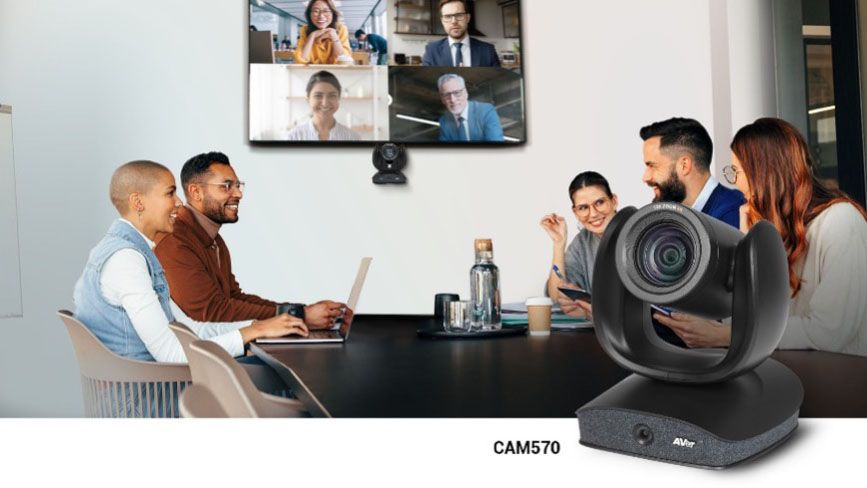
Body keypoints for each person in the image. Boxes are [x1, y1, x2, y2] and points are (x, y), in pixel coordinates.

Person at [654, 118, 867, 356]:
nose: (735, 183)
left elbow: (828, 331)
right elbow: (752, 313)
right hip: (790, 373)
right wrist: (748, 241)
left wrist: (724, 335)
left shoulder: (841, 222)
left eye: (737, 172)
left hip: (843, 379)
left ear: (767, 174)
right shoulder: (775, 231)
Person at [73, 160, 310, 363]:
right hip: (150, 397)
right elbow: (170, 352)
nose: (178, 202)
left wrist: (261, 326)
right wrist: (255, 331)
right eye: (169, 193)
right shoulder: (125, 260)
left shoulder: (132, 252)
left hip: (156, 386)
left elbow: (191, 329)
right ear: (138, 202)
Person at [154, 152, 349, 329]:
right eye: (226, 186)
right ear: (196, 192)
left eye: (238, 186)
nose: (238, 194)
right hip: (192, 363)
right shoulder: (175, 240)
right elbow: (211, 312)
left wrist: (299, 311)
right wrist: (299, 316)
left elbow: (233, 297)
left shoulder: (215, 241)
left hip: (216, 351)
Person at [640, 117, 745, 228]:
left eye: (652, 166)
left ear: (684, 165)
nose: (645, 177)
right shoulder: (676, 220)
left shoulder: (733, 217)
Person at [540, 172, 619, 320]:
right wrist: (559, 243)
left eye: (600, 202)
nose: (593, 213)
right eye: (583, 208)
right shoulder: (582, 241)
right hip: (598, 336)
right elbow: (557, 295)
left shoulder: (638, 229)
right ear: (575, 212)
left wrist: (594, 313)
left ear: (613, 200)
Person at [422, 0, 500, 67]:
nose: (454, 21)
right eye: (448, 17)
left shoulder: (488, 50)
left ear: (468, 18)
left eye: (459, 15)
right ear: (442, 21)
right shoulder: (431, 50)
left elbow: (498, 82)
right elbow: (426, 83)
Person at [286, 71, 360, 141]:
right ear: (308, 100)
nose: (325, 103)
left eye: (332, 95)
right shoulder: (293, 137)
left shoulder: (352, 137)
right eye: (318, 96)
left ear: (339, 99)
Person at [437, 73, 503, 142]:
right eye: (447, 95)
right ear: (442, 99)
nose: (453, 100)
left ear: (466, 93)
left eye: (457, 93)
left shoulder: (486, 111)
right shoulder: (444, 121)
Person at [293, 0, 352, 65]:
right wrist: (312, 36)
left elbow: (344, 61)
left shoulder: (341, 29)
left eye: (326, 11)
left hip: (335, 72)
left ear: (333, 13)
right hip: (312, 73)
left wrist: (334, 37)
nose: (321, 16)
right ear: (309, 14)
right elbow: (300, 61)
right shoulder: (305, 29)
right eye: (316, 11)